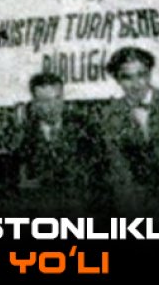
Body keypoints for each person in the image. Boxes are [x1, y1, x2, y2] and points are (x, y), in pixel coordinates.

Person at [96, 47, 159, 214]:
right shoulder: (110, 115)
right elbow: (119, 169)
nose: (136, 84)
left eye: (141, 75)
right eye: (127, 77)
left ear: (150, 74)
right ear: (117, 80)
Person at [9, 73, 97, 207]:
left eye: (57, 98)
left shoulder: (85, 131)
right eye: (45, 101)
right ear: (35, 103)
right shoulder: (22, 137)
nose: (53, 106)